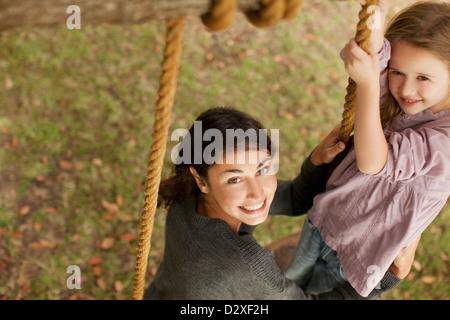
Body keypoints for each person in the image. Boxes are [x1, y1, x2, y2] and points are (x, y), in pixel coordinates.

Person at [144, 106, 411, 300]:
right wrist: (385, 278)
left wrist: (317, 161)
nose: (257, 192)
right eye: (235, 179)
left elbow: (293, 199)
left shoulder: (189, 194)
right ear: (201, 179)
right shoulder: (243, 265)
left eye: (262, 169)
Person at [285, 0, 450, 297]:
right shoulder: (406, 92)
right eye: (398, 72)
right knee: (285, 291)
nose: (405, 89)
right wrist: (378, 12)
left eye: (423, 78)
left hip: (358, 258)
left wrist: (368, 86)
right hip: (324, 220)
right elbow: (374, 54)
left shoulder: (446, 141)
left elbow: (375, 162)